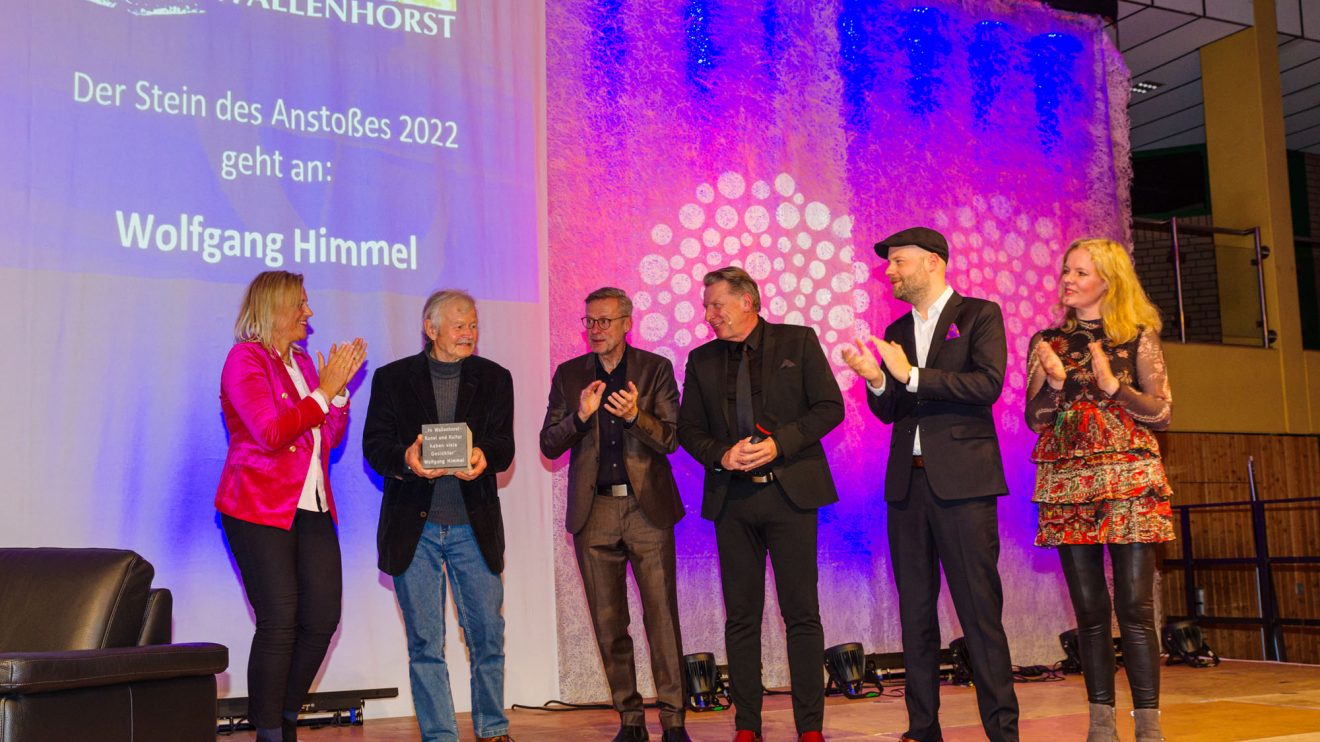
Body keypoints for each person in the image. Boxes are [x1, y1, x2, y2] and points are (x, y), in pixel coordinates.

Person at [842, 227, 1019, 742]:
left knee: (979, 613)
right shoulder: (895, 328)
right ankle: (923, 728)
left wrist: (912, 373)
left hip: (963, 486)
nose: (890, 272)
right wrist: (876, 379)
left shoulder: (979, 315)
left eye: (899, 262)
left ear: (933, 262)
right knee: (915, 613)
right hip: (908, 487)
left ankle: (1002, 732)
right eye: (889, 264)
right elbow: (891, 409)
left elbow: (988, 384)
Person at [678, 266, 843, 742]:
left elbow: (830, 407)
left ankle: (810, 728)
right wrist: (720, 455)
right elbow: (689, 430)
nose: (709, 315)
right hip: (733, 501)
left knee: (801, 614)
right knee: (742, 617)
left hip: (790, 494)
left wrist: (780, 445)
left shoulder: (798, 341)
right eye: (707, 306)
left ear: (747, 300)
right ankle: (747, 726)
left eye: (716, 304)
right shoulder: (701, 359)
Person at [1026, 238, 1173, 742]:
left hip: (1129, 478)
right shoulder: (1048, 340)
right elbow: (1034, 418)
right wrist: (1054, 383)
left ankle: (1149, 728)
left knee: (1134, 609)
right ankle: (1101, 726)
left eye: (1080, 273)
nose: (1068, 279)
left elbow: (1162, 412)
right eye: (1066, 270)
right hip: (1068, 480)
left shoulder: (1138, 338)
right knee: (1090, 612)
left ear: (1108, 282)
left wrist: (1114, 387)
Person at [215, 270, 367, 742]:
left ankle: (281, 715)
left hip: (313, 503)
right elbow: (271, 432)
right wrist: (325, 391)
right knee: (279, 619)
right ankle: (270, 731)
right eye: (300, 303)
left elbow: (329, 436)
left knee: (322, 617)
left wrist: (336, 392)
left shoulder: (302, 361)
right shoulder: (244, 360)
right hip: (257, 505)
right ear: (275, 308)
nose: (309, 312)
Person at [362, 289, 515, 742]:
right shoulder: (392, 379)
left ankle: (492, 729)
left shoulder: (494, 377)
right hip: (416, 527)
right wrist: (407, 460)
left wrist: (486, 456)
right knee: (425, 643)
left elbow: (504, 444)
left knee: (487, 634)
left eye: (473, 324)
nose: (469, 332)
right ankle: (440, 735)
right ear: (431, 330)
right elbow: (375, 446)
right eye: (459, 325)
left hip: (474, 525)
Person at [540, 287, 691, 742]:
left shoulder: (655, 369)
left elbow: (669, 438)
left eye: (606, 321)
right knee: (609, 622)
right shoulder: (570, 375)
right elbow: (549, 443)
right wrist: (581, 418)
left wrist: (634, 416)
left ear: (628, 322)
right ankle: (629, 719)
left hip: (647, 510)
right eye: (590, 322)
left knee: (661, 618)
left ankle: (673, 720)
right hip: (595, 511)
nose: (596, 330)